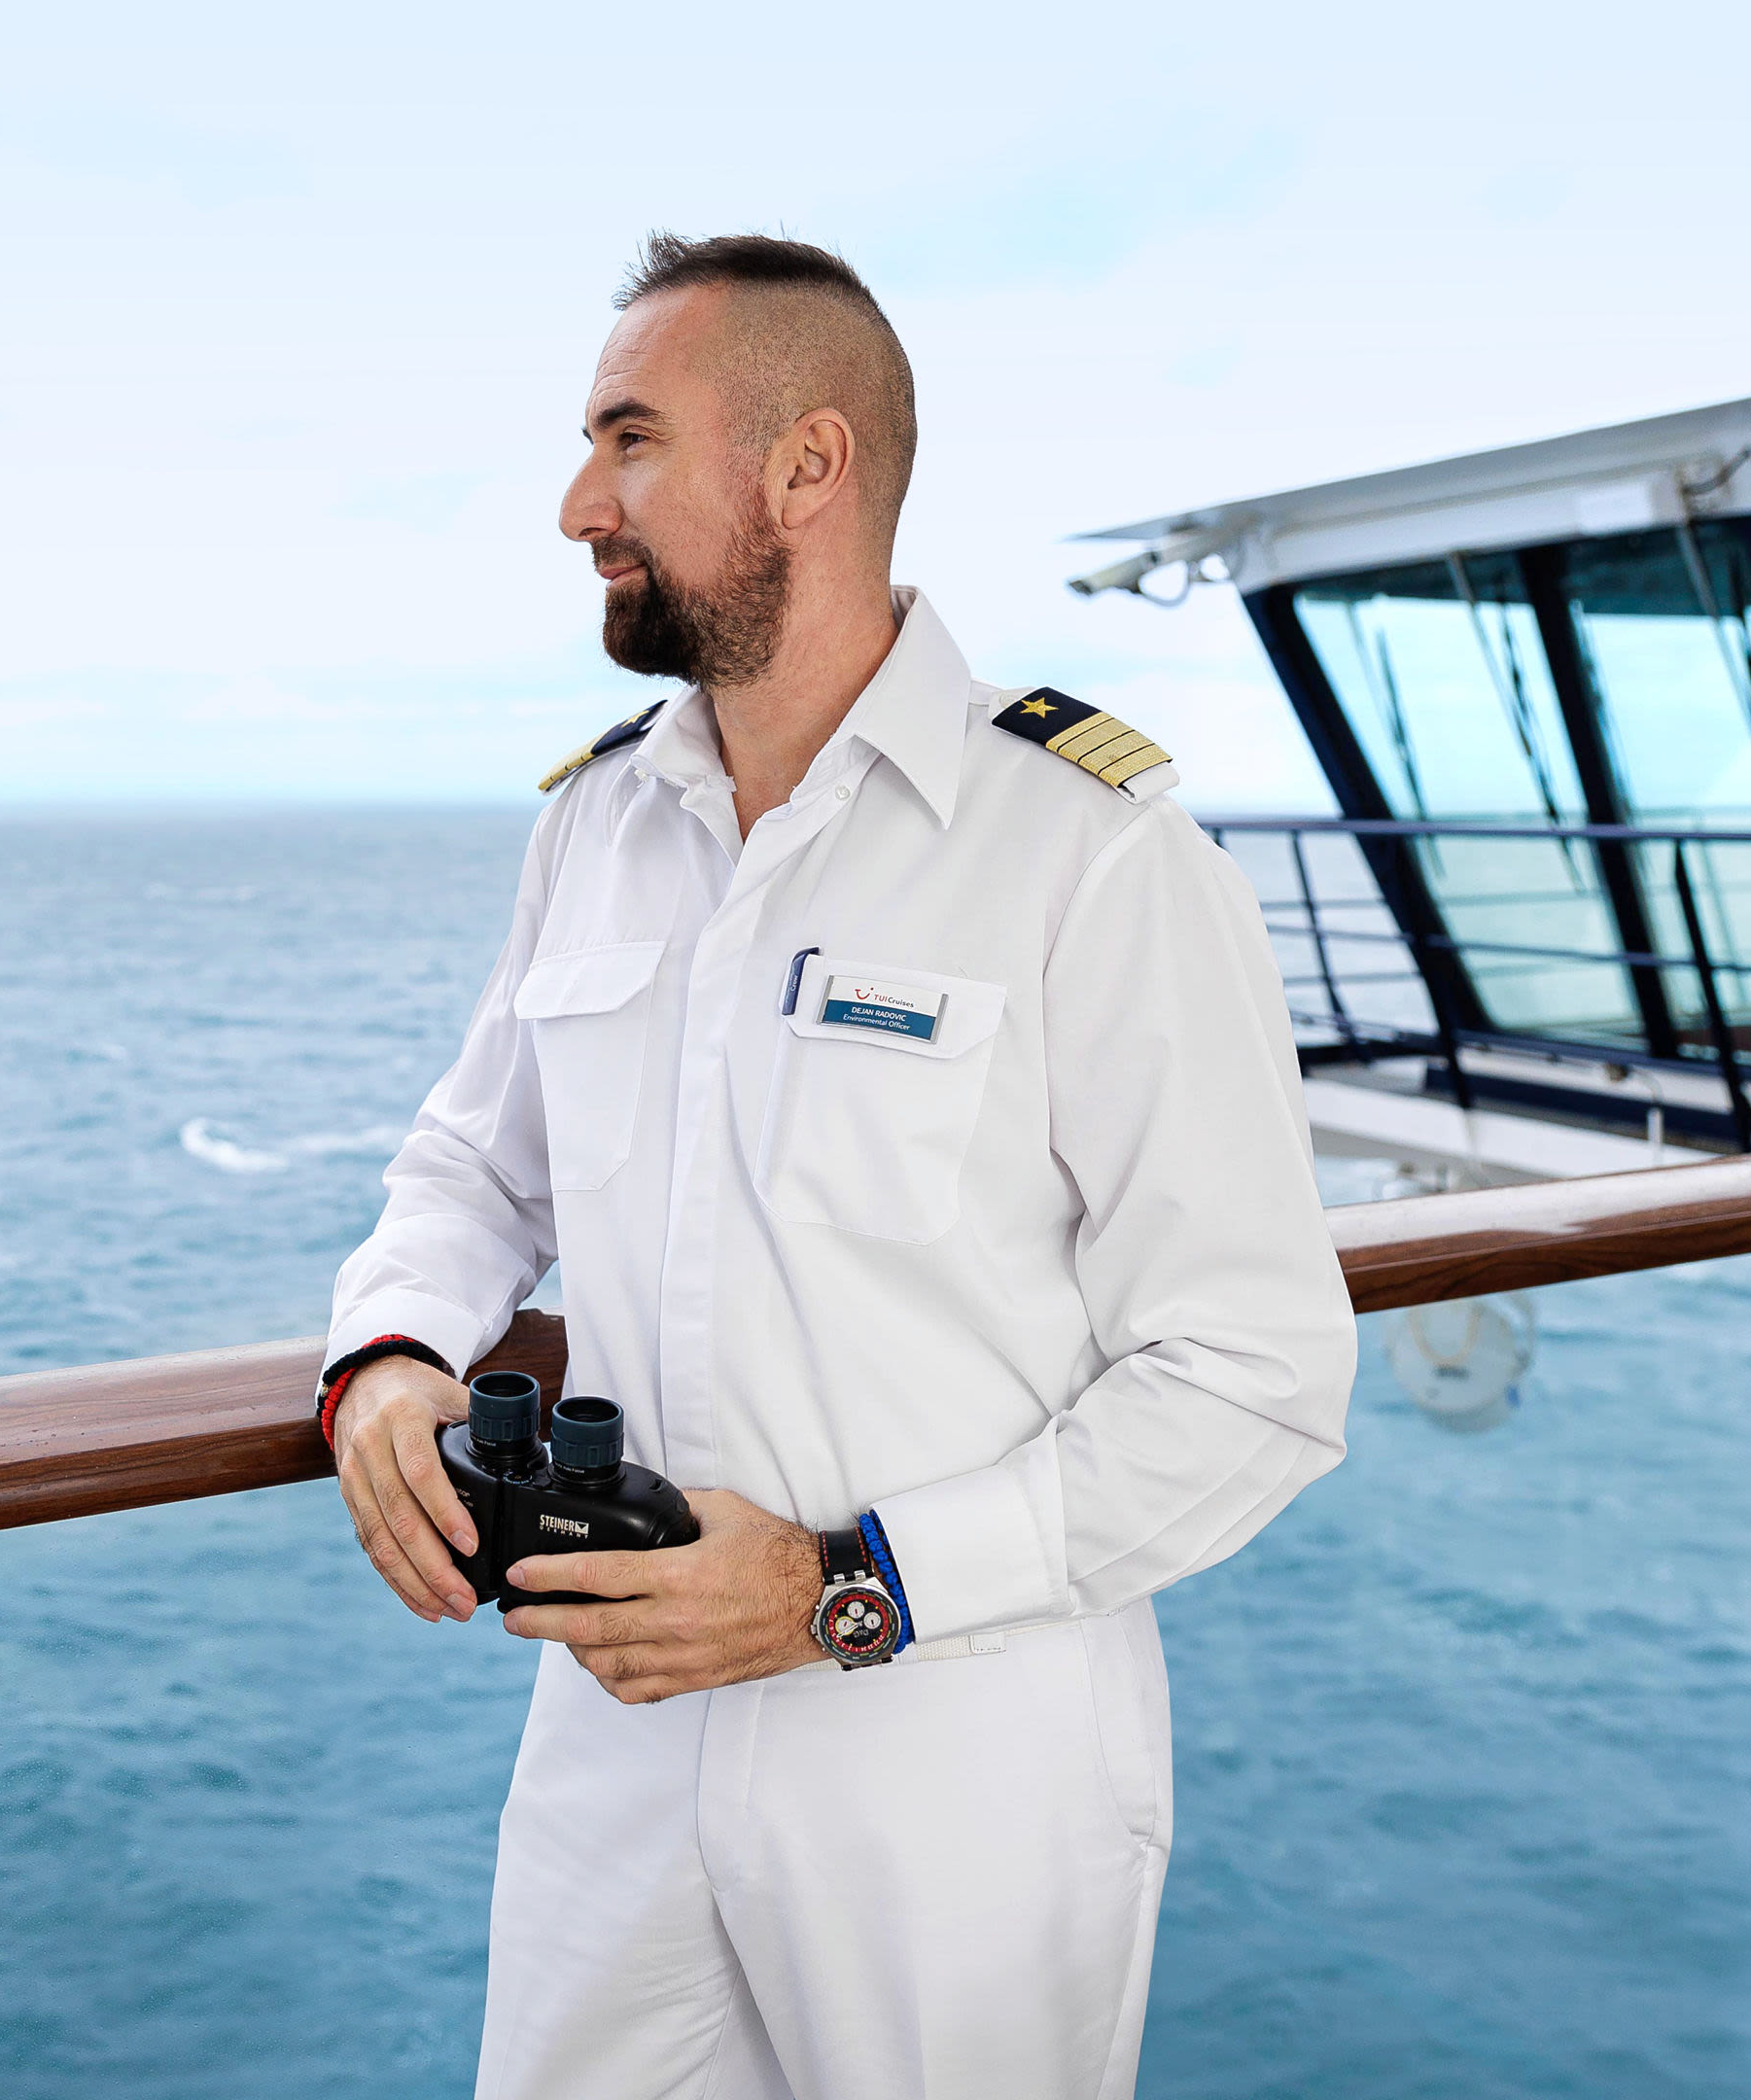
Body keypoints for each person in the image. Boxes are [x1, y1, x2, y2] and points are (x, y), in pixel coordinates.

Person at [316, 231, 1355, 2100]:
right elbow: (474, 1165)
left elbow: (1259, 1382)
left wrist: (836, 1588)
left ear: (809, 466)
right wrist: (390, 1352)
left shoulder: (1091, 858)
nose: (575, 505)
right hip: (614, 1749)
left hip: (954, 1769)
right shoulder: (597, 829)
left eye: (629, 441)